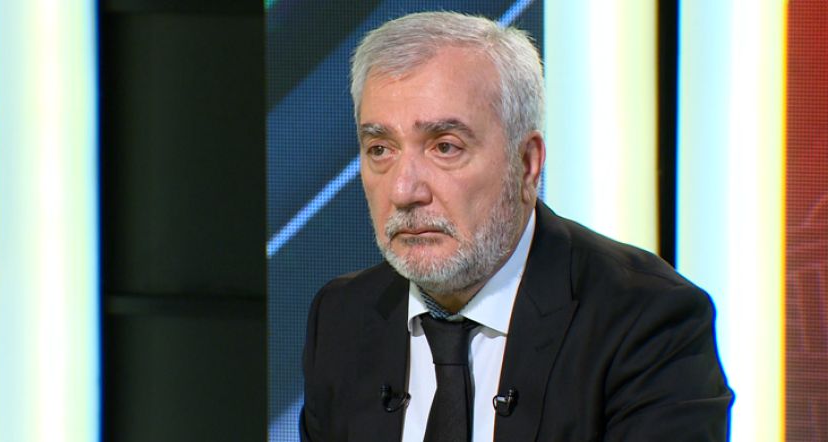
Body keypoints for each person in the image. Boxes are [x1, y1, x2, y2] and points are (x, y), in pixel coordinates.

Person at [301, 11, 733, 442]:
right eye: (380, 149)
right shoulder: (342, 317)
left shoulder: (646, 321)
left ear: (526, 164)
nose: (403, 190)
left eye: (445, 147)